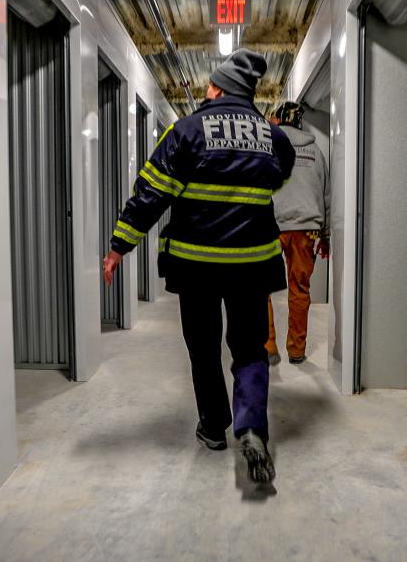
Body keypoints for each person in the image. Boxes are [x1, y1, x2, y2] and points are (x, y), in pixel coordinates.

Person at [102, 49, 295, 483]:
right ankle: (251, 428)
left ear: (216, 88)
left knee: (204, 348)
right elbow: (278, 180)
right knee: (250, 349)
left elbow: (151, 195)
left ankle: (213, 426)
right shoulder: (273, 137)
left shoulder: (185, 132)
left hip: (196, 267)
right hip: (250, 264)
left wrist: (120, 246)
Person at [265, 102, 330, 366]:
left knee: (261, 287)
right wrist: (325, 236)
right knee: (300, 289)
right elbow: (327, 195)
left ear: (278, 121)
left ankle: (268, 345)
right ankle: (296, 350)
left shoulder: (269, 147)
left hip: (272, 226)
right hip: (307, 229)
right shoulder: (316, 152)